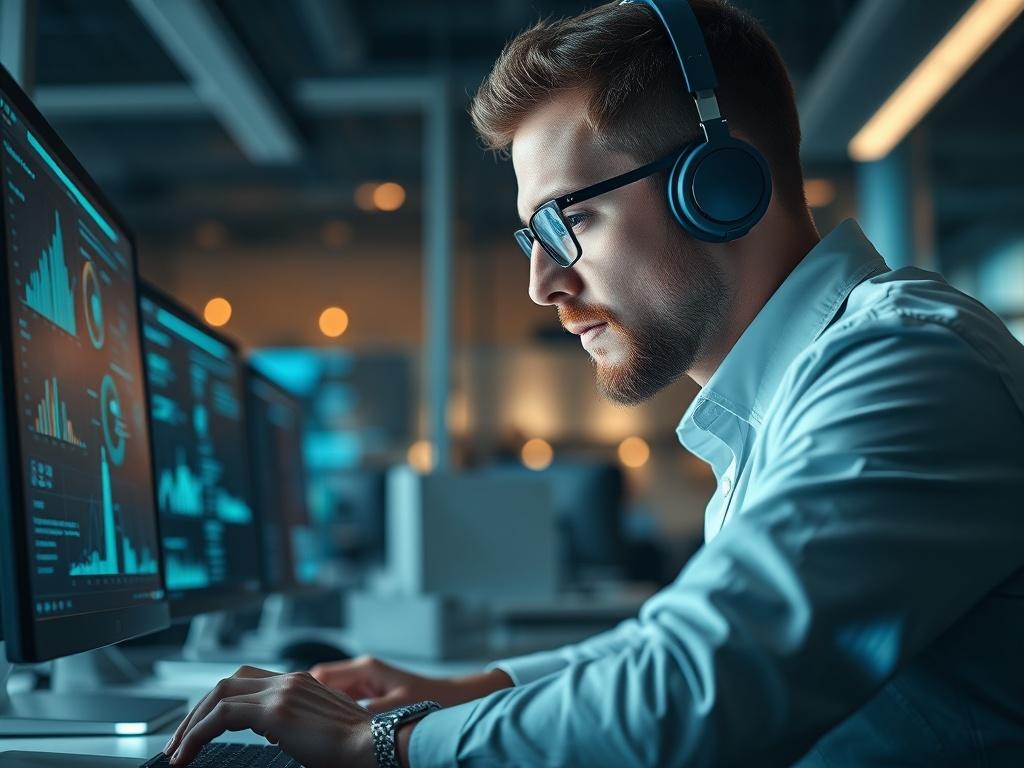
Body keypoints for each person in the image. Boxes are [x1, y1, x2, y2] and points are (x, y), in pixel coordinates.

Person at [162, 1, 1024, 766]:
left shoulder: (907, 363)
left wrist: (379, 742)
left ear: (718, 186)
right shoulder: (787, 402)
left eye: (566, 220)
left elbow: (694, 687)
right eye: (528, 236)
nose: (542, 284)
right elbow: (673, 643)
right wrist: (470, 689)